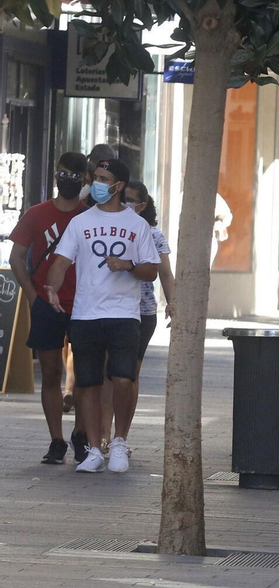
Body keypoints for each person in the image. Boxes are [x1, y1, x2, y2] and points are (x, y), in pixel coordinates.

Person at [42, 159, 160, 474]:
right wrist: (51, 287)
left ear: (118, 185)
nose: (96, 183)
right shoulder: (80, 222)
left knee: (123, 378)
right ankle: (94, 448)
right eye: (95, 177)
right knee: (88, 383)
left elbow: (152, 270)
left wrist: (128, 266)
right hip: (86, 314)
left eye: (103, 178)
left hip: (124, 314)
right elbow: (61, 261)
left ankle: (119, 440)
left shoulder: (137, 225)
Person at [12, 151, 89, 464]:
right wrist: (31, 295)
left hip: (83, 305)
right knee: (51, 371)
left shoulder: (89, 217)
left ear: (84, 179)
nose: (67, 180)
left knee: (85, 375)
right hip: (46, 303)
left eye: (73, 175)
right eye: (63, 173)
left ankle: (81, 436)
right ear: (55, 175)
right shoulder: (36, 214)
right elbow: (17, 256)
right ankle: (56, 440)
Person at [111, 182, 175, 450]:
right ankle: (103, 433)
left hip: (143, 312)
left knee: (130, 373)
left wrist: (173, 302)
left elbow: (165, 273)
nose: (126, 205)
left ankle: (121, 436)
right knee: (108, 374)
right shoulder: (110, 228)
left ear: (142, 206)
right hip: (111, 308)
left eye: (132, 201)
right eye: (123, 199)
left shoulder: (153, 234)